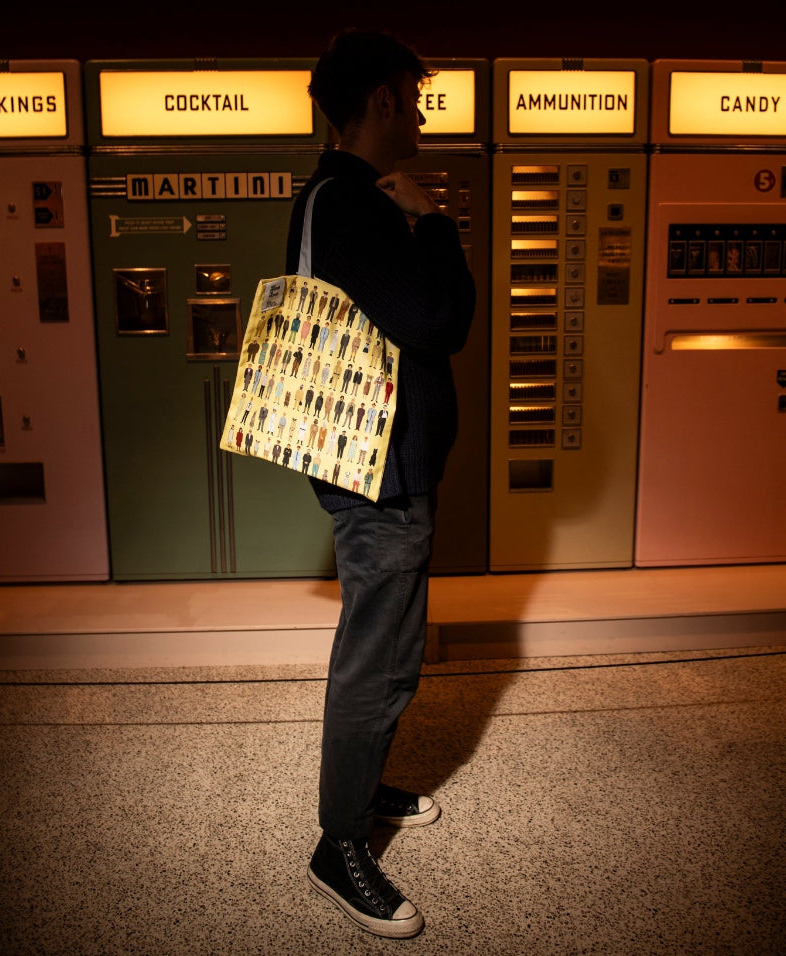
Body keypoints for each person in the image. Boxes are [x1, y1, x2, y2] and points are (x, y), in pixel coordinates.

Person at [285, 29, 476, 940]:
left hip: (377, 463)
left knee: (394, 645)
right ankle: (338, 844)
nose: (423, 113)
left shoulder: (332, 197)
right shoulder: (356, 202)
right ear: (386, 100)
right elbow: (438, 321)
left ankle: (362, 791)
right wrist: (433, 220)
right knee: (380, 655)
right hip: (378, 472)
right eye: (417, 96)